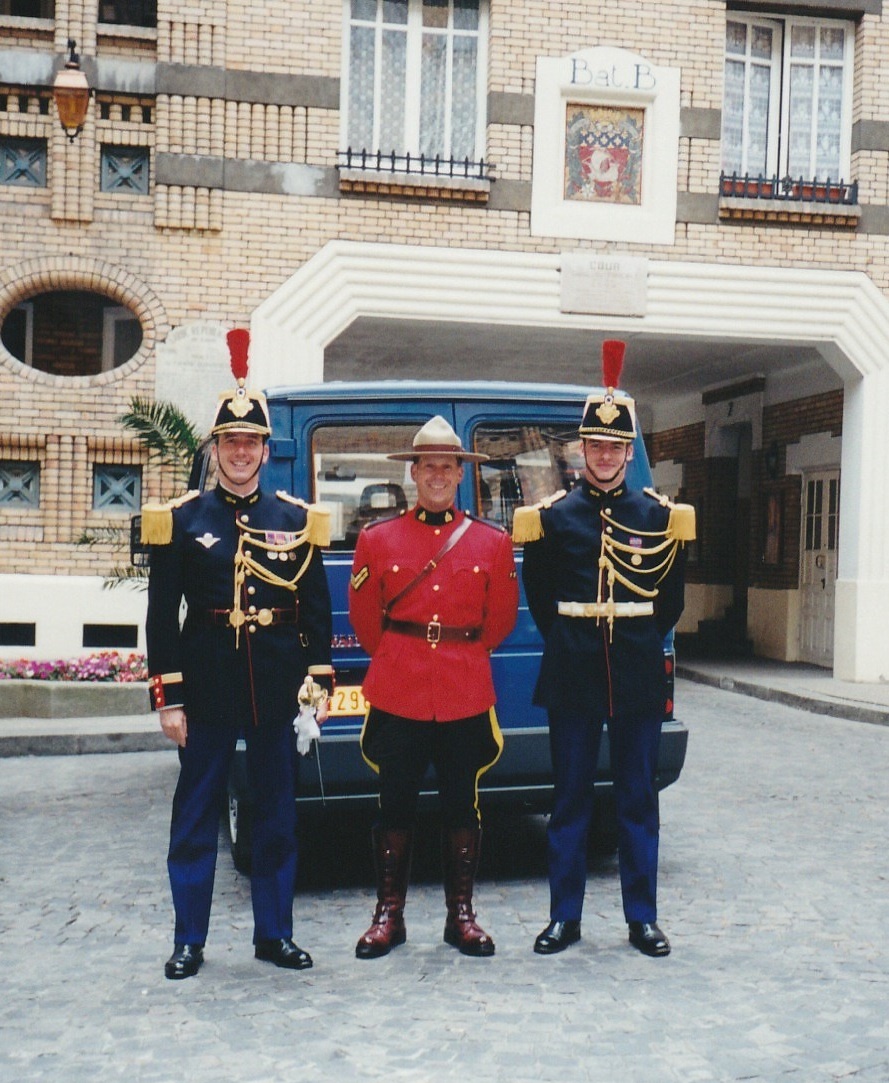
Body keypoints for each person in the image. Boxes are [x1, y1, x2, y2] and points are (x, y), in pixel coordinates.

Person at [142, 329, 334, 980]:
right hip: (207, 688)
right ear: (216, 448)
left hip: (278, 688)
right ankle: (189, 939)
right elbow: (161, 617)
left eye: (251, 441)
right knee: (196, 816)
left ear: (265, 449)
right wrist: (169, 697)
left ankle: (274, 934)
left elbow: (315, 613)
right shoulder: (182, 520)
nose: (241, 451)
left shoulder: (296, 519)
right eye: (231, 441)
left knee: (276, 816)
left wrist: (315, 691)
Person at [512, 340, 695, 958]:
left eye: (616, 447)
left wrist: (633, 636)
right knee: (569, 801)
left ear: (628, 451)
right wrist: (576, 638)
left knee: (637, 800)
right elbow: (541, 597)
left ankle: (642, 918)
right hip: (574, 670)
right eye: (596, 446)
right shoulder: (554, 517)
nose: (606, 455)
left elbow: (670, 599)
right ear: (582, 449)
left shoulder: (659, 516)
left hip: (636, 670)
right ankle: (564, 917)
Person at [348, 416, 519, 959]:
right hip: (399, 688)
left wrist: (459, 653)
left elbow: (500, 621)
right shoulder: (378, 539)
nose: (439, 475)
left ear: (461, 475)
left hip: (464, 689)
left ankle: (460, 916)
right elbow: (365, 622)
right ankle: (388, 915)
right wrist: (402, 655)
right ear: (414, 473)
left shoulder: (493, 542)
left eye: (448, 466)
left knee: (461, 805)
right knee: (393, 802)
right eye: (429, 466)